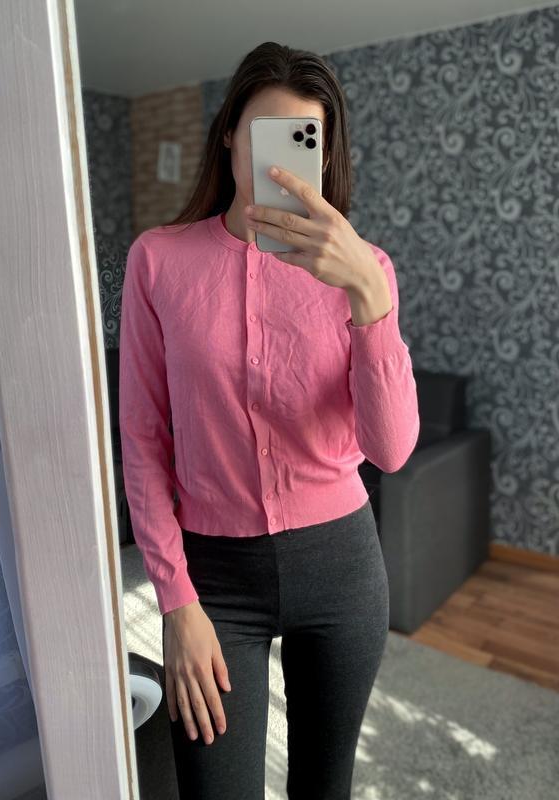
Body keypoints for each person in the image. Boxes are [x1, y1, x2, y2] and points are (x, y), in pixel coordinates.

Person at [119, 40, 420, 800]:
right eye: (262, 134)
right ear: (228, 133)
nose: (277, 164)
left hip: (342, 565)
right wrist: (176, 603)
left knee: (324, 786)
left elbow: (390, 450)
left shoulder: (366, 269)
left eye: (299, 139)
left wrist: (369, 299)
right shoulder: (158, 260)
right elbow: (144, 440)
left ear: (325, 152)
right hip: (214, 578)